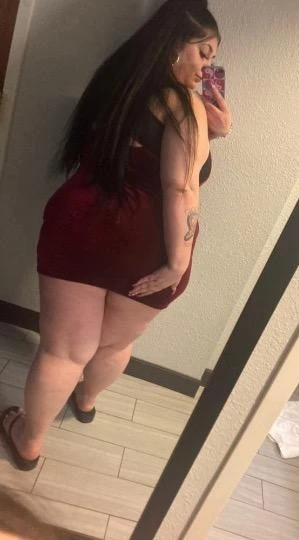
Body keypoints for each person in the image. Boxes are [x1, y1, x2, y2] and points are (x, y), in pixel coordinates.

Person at [0, 0, 232, 471]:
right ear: (175, 44)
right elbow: (180, 186)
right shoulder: (185, 104)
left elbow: (134, 151)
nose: (206, 68)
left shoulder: (115, 81)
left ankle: (27, 440)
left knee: (65, 351)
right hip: (147, 248)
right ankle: (85, 400)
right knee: (112, 345)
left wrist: (211, 132)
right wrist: (176, 262)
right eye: (203, 53)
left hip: (81, 225)